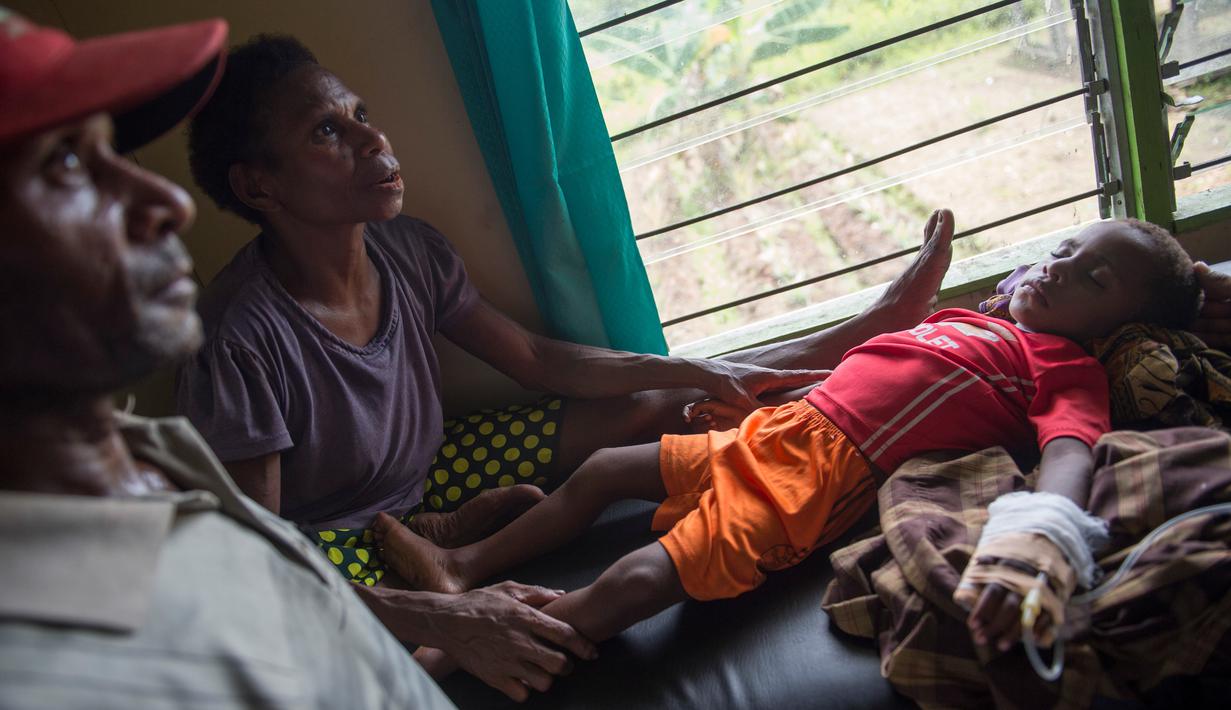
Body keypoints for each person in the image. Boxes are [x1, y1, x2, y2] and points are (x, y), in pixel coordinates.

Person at [175, 34, 951, 591]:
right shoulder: (239, 337)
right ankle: (435, 548)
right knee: (334, 584)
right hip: (334, 534)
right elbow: (264, 554)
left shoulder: (407, 249)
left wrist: (692, 365)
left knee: (664, 405)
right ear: (258, 188)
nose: (372, 138)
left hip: (431, 466)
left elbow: (540, 361)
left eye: (359, 113)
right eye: (326, 132)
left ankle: (869, 328)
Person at [0, 10, 592, 706]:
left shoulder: (155, 458)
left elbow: (278, 585)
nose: (166, 203)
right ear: (259, 187)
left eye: (115, 156)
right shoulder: (48, 664)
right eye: (67, 164)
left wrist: (442, 616)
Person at [372, 215, 1203, 675]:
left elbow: (1068, 452)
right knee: (600, 472)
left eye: (1093, 279)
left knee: (634, 577)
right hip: (778, 432)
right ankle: (465, 569)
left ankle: (461, 658)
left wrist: (1039, 535)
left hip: (811, 482)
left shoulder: (1063, 369)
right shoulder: (974, 320)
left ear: (1121, 325)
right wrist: (788, 395)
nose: (1059, 270)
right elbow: (876, 370)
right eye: (1064, 251)